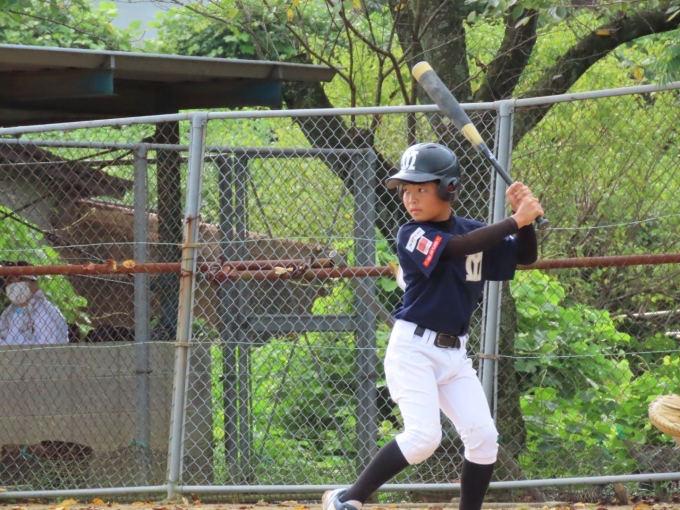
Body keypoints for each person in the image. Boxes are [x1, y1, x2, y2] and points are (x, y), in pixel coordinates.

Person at [322, 143, 544, 510]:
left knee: (483, 438)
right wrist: (515, 220)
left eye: (421, 189)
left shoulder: (473, 232)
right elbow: (457, 247)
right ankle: (347, 500)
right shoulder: (411, 234)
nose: (410, 198)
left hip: (455, 354)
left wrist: (526, 219)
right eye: (406, 190)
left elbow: (525, 255)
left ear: (448, 188)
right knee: (423, 439)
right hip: (414, 350)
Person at [0, 261, 69, 346]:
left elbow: (48, 348)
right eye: (10, 282)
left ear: (33, 283)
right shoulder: (8, 313)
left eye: (21, 280)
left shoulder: (46, 312)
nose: (14, 286)